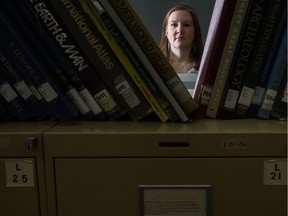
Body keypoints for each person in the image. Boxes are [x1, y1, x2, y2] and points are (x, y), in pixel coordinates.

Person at [159, 4, 203, 74]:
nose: (180, 30)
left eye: (186, 25)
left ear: (195, 31)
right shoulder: (153, 66)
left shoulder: (207, 67)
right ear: (166, 32)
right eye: (174, 25)